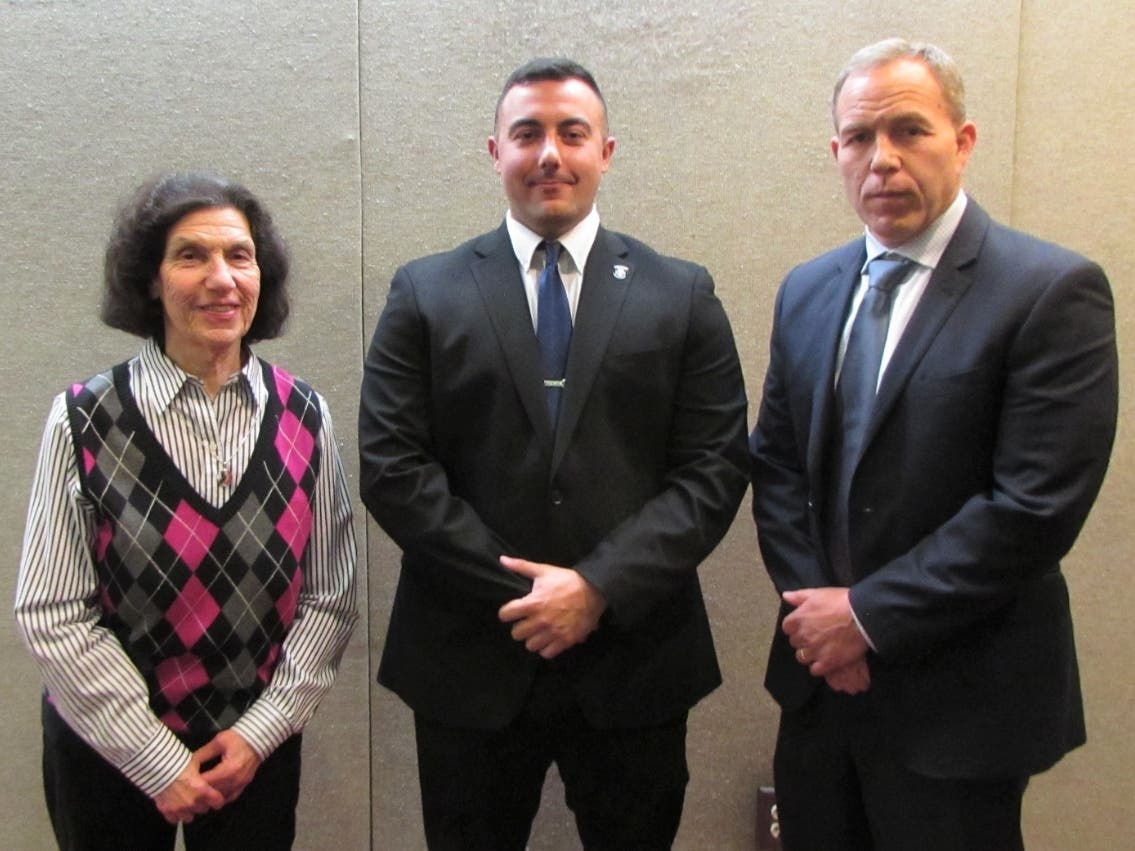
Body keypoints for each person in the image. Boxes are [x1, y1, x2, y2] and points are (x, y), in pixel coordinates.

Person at [359, 58, 748, 850]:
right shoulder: (424, 292)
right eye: (526, 133)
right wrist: (528, 594)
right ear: (493, 150)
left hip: (634, 660)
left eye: (572, 133)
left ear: (605, 151)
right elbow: (392, 467)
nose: (549, 154)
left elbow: (712, 468)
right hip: (470, 655)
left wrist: (598, 586)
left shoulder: (681, 293)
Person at [750, 38, 1118, 850]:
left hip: (963, 702)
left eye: (908, 130)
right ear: (834, 152)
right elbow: (775, 466)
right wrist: (821, 617)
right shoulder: (808, 289)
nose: (880, 159)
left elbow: (1032, 507)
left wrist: (868, 616)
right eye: (856, 138)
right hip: (821, 694)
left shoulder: (1050, 291)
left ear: (963, 139)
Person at [15, 172, 358, 850]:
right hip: (105, 749)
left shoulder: (304, 417)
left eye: (239, 254)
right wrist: (156, 759)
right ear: (149, 278)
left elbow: (330, 598)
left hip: (250, 752)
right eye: (190, 255)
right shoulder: (84, 419)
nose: (221, 278)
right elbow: (51, 611)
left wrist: (259, 734)